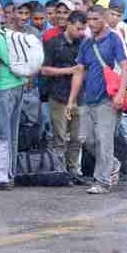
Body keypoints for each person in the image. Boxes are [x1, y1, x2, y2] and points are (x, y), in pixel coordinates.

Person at [66, 5, 127, 194]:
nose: (92, 23)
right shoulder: (86, 44)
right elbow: (79, 72)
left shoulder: (114, 39)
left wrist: (120, 94)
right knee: (87, 140)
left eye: (96, 19)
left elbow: (125, 67)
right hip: (88, 99)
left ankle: (102, 181)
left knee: (104, 140)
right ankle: (112, 164)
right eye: (89, 20)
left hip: (108, 100)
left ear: (104, 19)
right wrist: (71, 100)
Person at [0, 10, 27, 190]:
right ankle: (10, 174)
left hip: (4, 89)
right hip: (18, 84)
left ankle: (2, 177)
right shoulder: (3, 32)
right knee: (12, 135)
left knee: (2, 135)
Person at [41, 11, 86, 180]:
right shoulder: (53, 43)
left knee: (77, 138)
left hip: (80, 97)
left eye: (83, 29)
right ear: (69, 24)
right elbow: (44, 70)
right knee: (59, 138)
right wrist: (68, 71)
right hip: (58, 96)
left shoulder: (83, 44)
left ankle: (73, 171)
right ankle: (59, 171)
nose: (80, 32)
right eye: (78, 28)